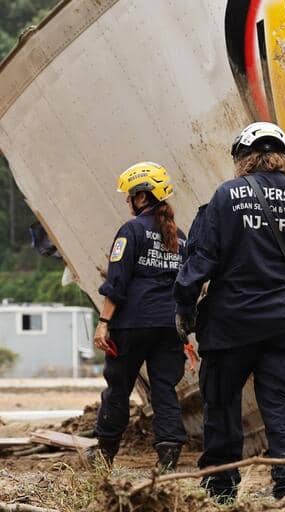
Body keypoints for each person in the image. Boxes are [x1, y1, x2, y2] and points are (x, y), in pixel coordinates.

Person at [174, 122, 285, 505]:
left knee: (221, 408)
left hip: (229, 325)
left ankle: (220, 493)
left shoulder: (225, 197)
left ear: (241, 160)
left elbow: (199, 262)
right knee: (284, 410)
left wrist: (183, 308)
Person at [91, 161, 188, 471]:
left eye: (130, 195)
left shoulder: (131, 231)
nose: (128, 201)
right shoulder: (181, 237)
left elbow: (117, 282)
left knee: (118, 388)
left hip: (132, 325)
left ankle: (104, 454)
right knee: (164, 388)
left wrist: (103, 323)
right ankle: (169, 456)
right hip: (170, 325)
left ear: (143, 197)